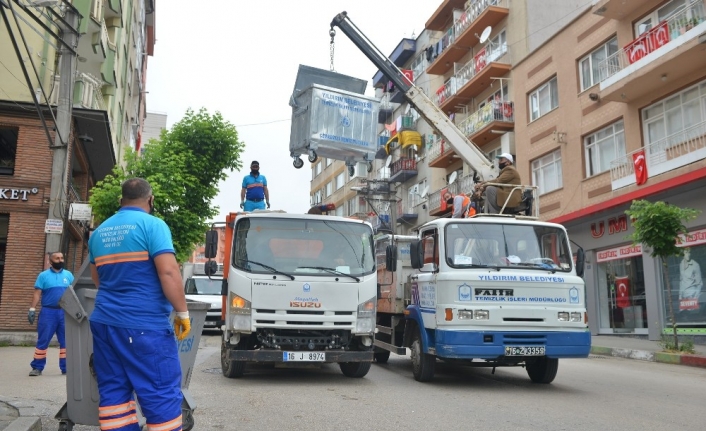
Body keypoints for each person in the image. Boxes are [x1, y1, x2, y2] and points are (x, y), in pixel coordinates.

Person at [87, 178, 191, 431]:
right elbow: (168, 273)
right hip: (144, 326)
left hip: (104, 322)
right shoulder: (153, 225)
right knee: (159, 390)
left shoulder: (100, 232)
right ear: (150, 200)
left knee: (113, 391)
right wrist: (182, 312)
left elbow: (96, 278)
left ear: (120, 201)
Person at [27, 251, 74, 376]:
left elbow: (74, 293)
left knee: (66, 341)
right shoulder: (43, 276)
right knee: (43, 340)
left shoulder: (69, 275)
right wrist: (32, 309)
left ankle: (66, 367)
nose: (60, 260)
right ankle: (37, 367)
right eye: (57, 258)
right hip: (48, 312)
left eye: (61, 258)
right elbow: (37, 293)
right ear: (51, 261)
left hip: (65, 312)